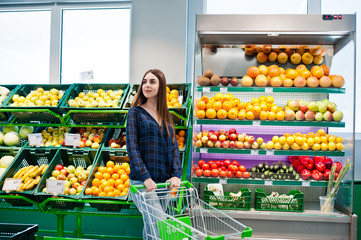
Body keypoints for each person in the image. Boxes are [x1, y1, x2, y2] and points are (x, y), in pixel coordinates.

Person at [126, 69, 183, 239]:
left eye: (152, 82)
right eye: (144, 82)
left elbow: (173, 148)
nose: (147, 85)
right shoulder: (135, 113)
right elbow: (132, 148)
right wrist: (145, 177)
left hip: (163, 183)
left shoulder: (167, 116)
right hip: (142, 182)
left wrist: (177, 175)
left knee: (152, 227)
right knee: (160, 225)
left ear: (161, 86)